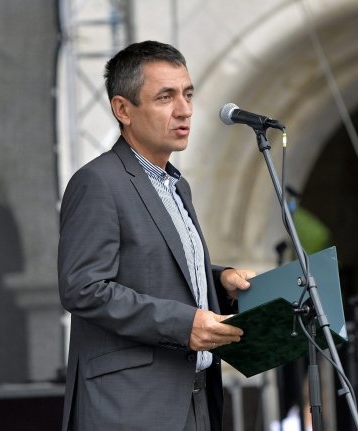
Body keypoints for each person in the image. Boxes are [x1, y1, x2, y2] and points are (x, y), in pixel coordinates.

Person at [58, 40, 255, 431]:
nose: (184, 110)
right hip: (130, 407)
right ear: (122, 109)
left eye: (188, 95)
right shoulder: (98, 182)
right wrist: (183, 324)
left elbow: (155, 267)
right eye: (165, 97)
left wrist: (219, 281)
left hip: (195, 398)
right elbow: (83, 288)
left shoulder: (176, 186)